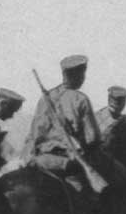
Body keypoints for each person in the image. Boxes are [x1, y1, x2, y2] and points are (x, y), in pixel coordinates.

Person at [23, 54, 101, 190]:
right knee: (87, 195)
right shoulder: (81, 99)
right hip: (68, 161)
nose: (83, 78)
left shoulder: (45, 98)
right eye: (83, 74)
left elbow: (35, 133)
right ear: (79, 75)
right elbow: (92, 138)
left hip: (41, 159)